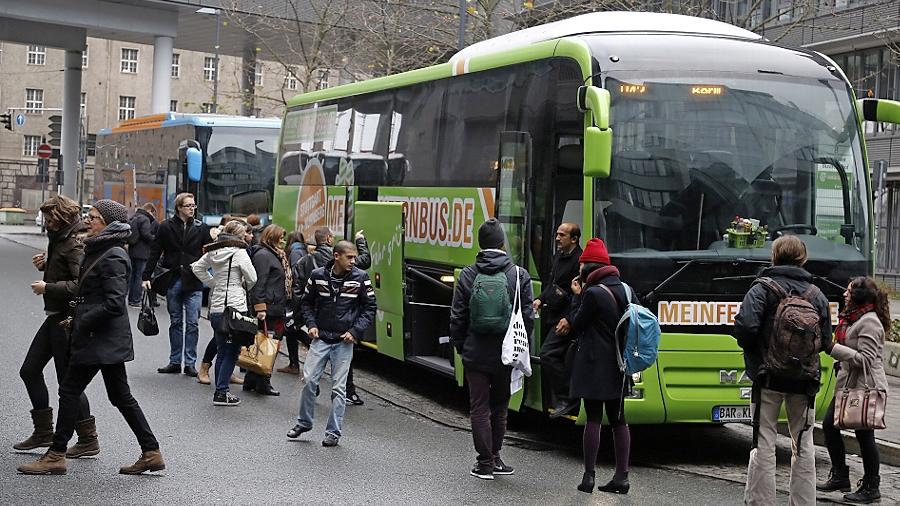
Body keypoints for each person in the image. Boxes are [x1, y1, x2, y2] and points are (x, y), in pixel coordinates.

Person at [18, 200, 164, 476]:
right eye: (90, 215)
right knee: (121, 397)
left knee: (70, 390)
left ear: (109, 224)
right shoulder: (100, 249)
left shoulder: (113, 256)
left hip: (100, 339)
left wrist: (80, 320)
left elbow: (114, 303)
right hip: (104, 339)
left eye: (95, 217)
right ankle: (151, 451)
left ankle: (57, 454)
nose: (89, 219)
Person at [734, 235, 832, 506]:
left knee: (764, 439)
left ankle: (761, 501)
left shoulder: (763, 288)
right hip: (804, 380)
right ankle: (803, 502)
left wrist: (760, 353)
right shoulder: (816, 294)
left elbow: (745, 328)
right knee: (803, 443)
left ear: (774, 256)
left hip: (768, 377)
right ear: (803, 258)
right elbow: (826, 341)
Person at [449, 218, 534, 480]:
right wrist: (520, 346)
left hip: (475, 352)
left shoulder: (468, 274)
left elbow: (458, 317)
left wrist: (462, 347)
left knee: (479, 408)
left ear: (480, 244)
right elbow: (527, 317)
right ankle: (495, 458)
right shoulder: (518, 274)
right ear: (502, 243)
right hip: (506, 353)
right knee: (500, 407)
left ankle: (483, 463)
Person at [16, 196, 96, 458]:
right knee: (29, 370)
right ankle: (43, 432)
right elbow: (64, 272)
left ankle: (87, 438)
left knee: (67, 383)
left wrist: (47, 287)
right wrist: (46, 265)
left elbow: (79, 284)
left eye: (50, 218)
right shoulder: (58, 239)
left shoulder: (73, 244)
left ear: (61, 217)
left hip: (65, 319)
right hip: (54, 316)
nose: (46, 223)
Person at [287, 240, 376, 447]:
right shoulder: (318, 276)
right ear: (336, 256)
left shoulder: (361, 278)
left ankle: (333, 432)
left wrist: (355, 331)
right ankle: (304, 422)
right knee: (309, 381)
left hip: (344, 341)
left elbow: (370, 307)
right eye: (350, 257)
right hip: (321, 338)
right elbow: (306, 302)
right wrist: (311, 324)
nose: (354, 261)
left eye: (355, 257)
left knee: (339, 388)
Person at [565, 238, 633, 494]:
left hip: (594, 364)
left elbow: (576, 325)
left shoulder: (591, 293)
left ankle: (589, 476)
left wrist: (576, 298)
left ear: (587, 269)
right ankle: (622, 477)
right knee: (619, 420)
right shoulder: (626, 290)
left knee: (593, 418)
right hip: (619, 364)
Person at [817, 277, 890, 503]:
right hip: (849, 384)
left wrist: (833, 349)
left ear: (858, 296)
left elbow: (866, 359)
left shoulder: (869, 322)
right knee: (830, 426)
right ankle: (840, 475)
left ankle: (871, 486)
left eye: (848, 291)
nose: (845, 295)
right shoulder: (853, 318)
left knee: (865, 435)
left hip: (865, 387)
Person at [142, 193, 211, 377]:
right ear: (179, 207)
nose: (192, 208)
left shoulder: (201, 228)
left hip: (194, 280)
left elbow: (210, 253)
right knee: (176, 322)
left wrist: (204, 268)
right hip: (173, 279)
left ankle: (190, 363)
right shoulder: (166, 226)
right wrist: (146, 276)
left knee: (193, 323)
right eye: (188, 205)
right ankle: (174, 361)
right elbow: (155, 251)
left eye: (193, 206)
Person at [191, 220, 258, 406]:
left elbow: (197, 267)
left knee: (222, 350)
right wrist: (241, 286)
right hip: (235, 306)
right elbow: (252, 278)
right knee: (232, 352)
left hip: (217, 307)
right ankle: (222, 392)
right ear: (239, 235)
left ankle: (220, 390)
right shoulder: (239, 252)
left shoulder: (214, 250)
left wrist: (214, 283)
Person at [535, 222, 582, 417]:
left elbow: (580, 296)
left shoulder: (579, 262)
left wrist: (570, 319)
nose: (557, 239)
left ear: (574, 239)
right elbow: (552, 284)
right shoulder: (559, 256)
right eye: (557, 234)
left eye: (562, 235)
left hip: (565, 320)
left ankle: (569, 397)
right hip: (553, 314)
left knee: (547, 354)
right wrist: (540, 299)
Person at [245, 224, 291, 396]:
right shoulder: (264, 255)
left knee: (262, 344)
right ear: (272, 238)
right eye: (281, 237)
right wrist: (260, 307)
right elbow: (259, 282)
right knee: (267, 345)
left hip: (274, 306)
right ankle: (263, 382)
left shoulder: (273, 254)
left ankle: (251, 380)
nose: (283, 241)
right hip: (269, 308)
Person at [197, 214, 242, 385]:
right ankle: (205, 367)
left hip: (233, 299)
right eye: (245, 233)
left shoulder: (242, 249)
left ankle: (226, 374)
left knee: (228, 339)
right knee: (219, 338)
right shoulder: (219, 249)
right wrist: (214, 283)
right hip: (221, 300)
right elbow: (198, 267)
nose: (248, 235)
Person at [278, 230, 310, 376]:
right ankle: (293, 363)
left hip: (294, 298)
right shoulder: (305, 251)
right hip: (302, 296)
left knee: (291, 328)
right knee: (291, 328)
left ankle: (294, 364)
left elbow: (295, 278)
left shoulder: (294, 253)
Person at [126, 202, 157, 307]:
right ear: (150, 211)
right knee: (140, 277)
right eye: (154, 214)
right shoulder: (145, 219)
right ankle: (136, 300)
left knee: (133, 276)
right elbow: (146, 235)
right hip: (142, 252)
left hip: (133, 250)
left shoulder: (135, 217)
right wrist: (156, 240)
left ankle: (131, 298)